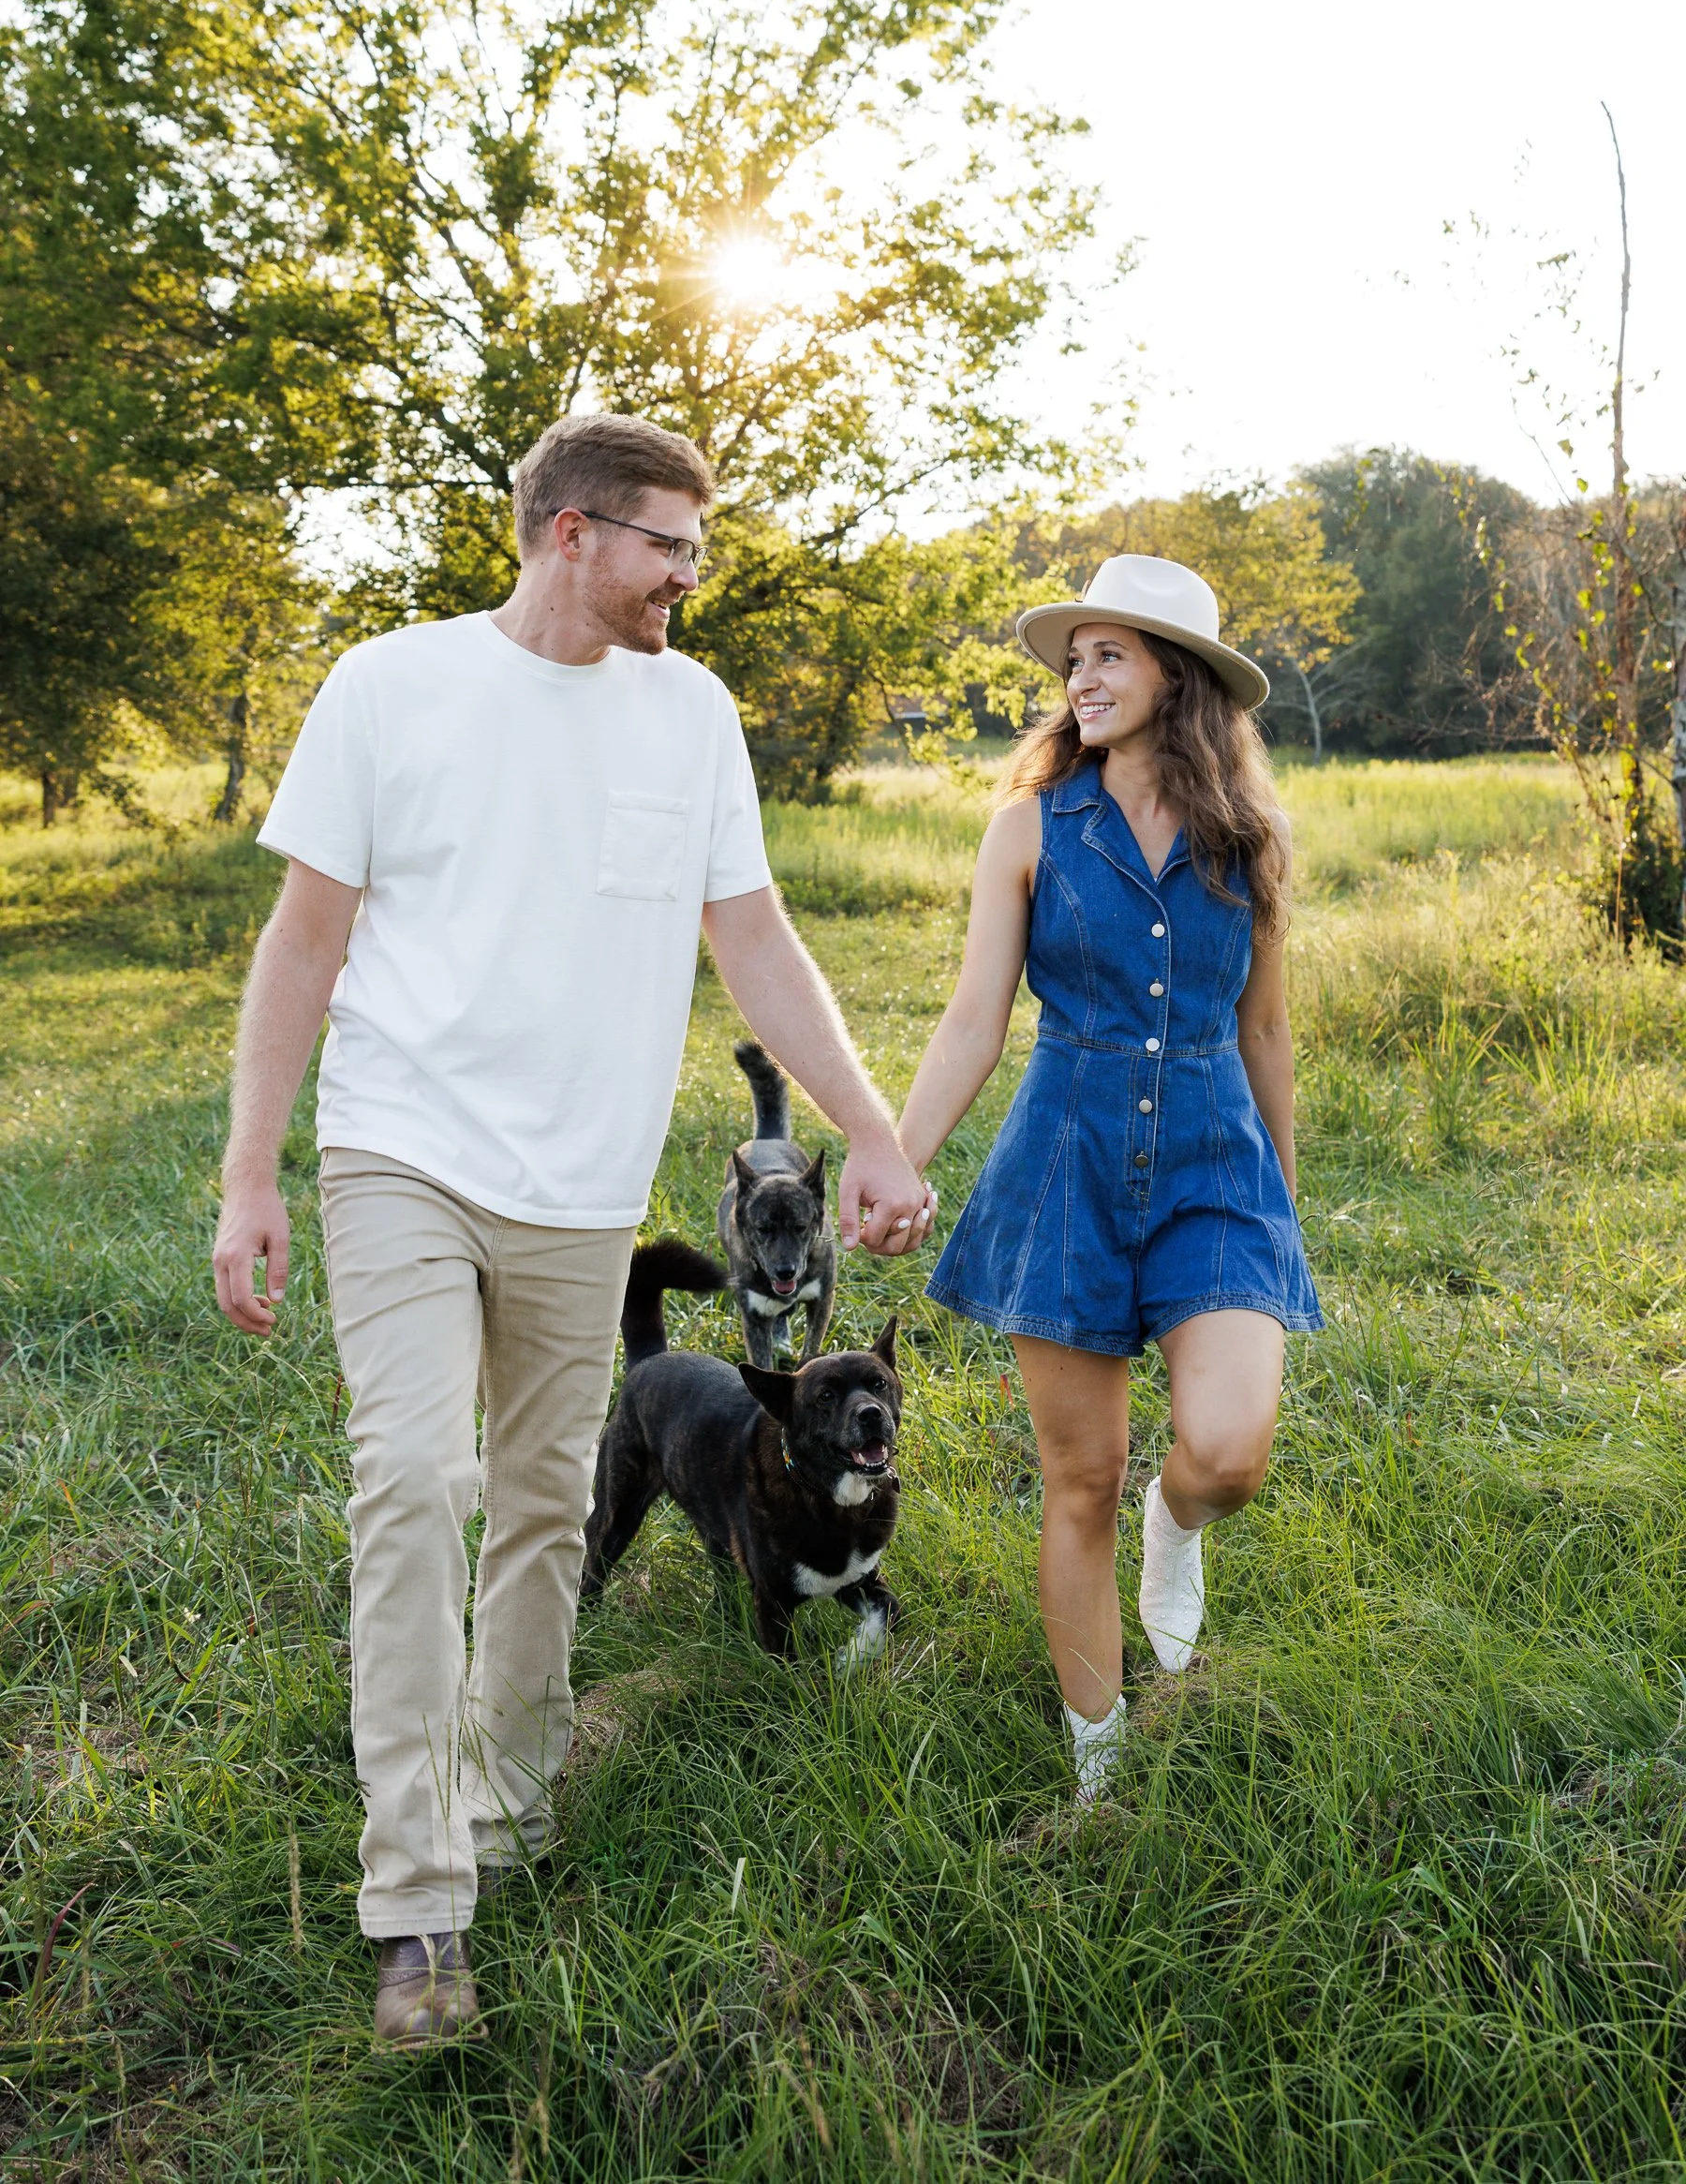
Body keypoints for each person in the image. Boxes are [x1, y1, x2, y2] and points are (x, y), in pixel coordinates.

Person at [211, 413, 934, 2048]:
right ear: (568, 534)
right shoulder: (391, 688)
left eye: (698, 544)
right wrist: (254, 1171)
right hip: (399, 1148)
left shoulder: (690, 717)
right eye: (670, 543)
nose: (693, 573)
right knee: (415, 1477)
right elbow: (305, 940)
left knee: (543, 1502)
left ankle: (509, 1813)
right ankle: (416, 1906)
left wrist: (874, 1127)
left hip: (584, 1188)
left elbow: (752, 940)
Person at [896, 555, 1320, 1802]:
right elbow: (976, 1018)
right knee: (1078, 1477)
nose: (1081, 677)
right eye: (1073, 657)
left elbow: (1267, 1032)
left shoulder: (1248, 841)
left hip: (1213, 1168)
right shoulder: (1031, 827)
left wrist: (1279, 1205)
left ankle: (1176, 1523)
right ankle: (1099, 1765)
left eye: (1109, 654)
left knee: (1230, 1449)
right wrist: (896, 1159)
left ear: (1175, 677)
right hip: (1063, 1172)